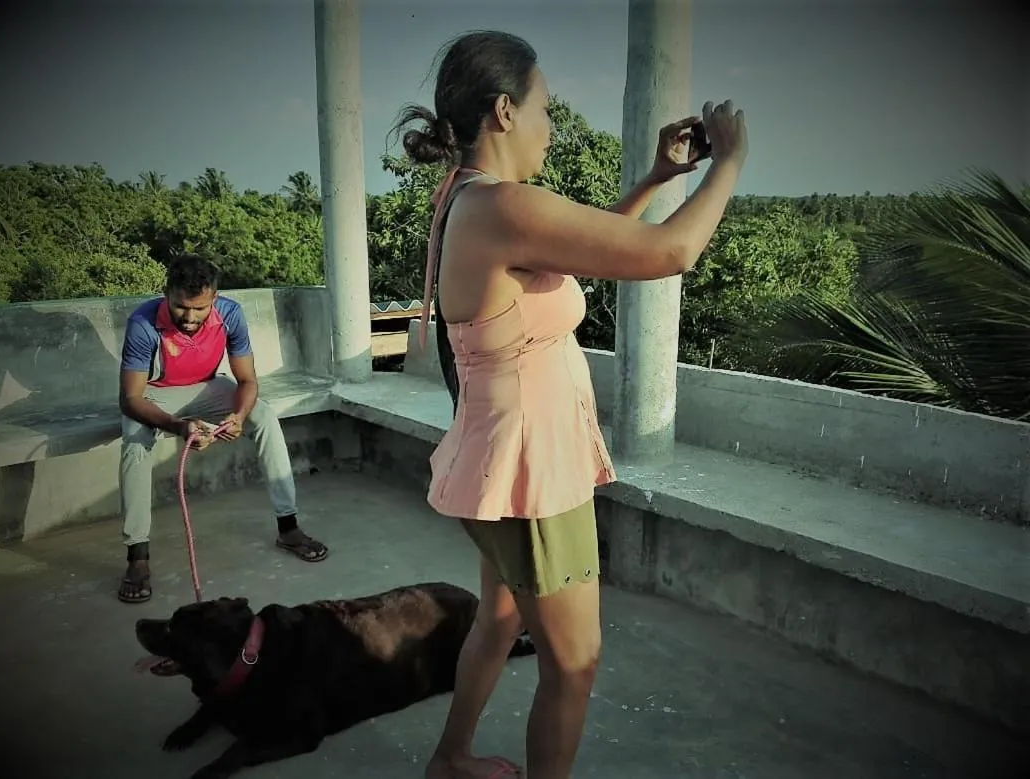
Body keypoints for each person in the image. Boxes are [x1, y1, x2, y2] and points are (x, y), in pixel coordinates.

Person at [392, 29, 748, 779]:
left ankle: (450, 758)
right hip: (532, 477)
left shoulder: (469, 198)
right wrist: (732, 162)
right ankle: (456, 759)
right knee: (576, 663)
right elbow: (668, 254)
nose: (552, 127)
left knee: (497, 615)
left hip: (502, 462)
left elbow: (590, 242)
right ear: (504, 112)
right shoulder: (503, 207)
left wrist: (655, 176)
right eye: (545, 109)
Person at [115, 253, 329, 604]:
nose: (190, 317)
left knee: (265, 417)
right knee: (135, 442)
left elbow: (246, 380)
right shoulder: (144, 322)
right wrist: (178, 427)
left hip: (209, 387)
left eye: (199, 309)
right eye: (182, 307)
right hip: (157, 393)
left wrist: (239, 416)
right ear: (166, 293)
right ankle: (137, 557)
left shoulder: (230, 315)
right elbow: (130, 399)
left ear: (214, 298)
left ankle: (288, 528)